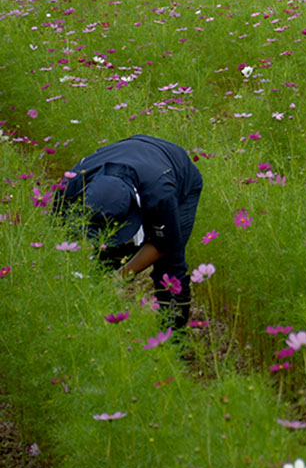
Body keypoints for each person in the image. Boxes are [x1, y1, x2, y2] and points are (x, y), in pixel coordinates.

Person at [57, 135, 203, 329]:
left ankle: (173, 337)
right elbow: (57, 231)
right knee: (108, 254)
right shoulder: (73, 183)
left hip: (177, 170)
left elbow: (164, 246)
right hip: (132, 154)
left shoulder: (161, 193)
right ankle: (97, 320)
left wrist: (120, 278)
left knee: (170, 267)